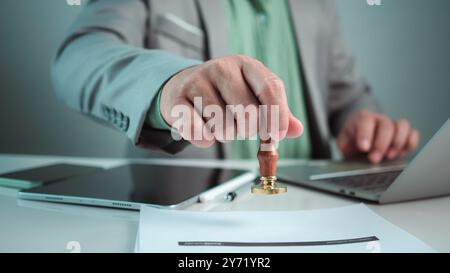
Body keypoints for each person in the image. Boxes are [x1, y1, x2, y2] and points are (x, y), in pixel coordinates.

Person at [52, 0, 419, 163]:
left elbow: (347, 96)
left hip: (317, 212)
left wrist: (364, 126)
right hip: (188, 221)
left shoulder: (317, 4)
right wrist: (169, 84)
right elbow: (78, 56)